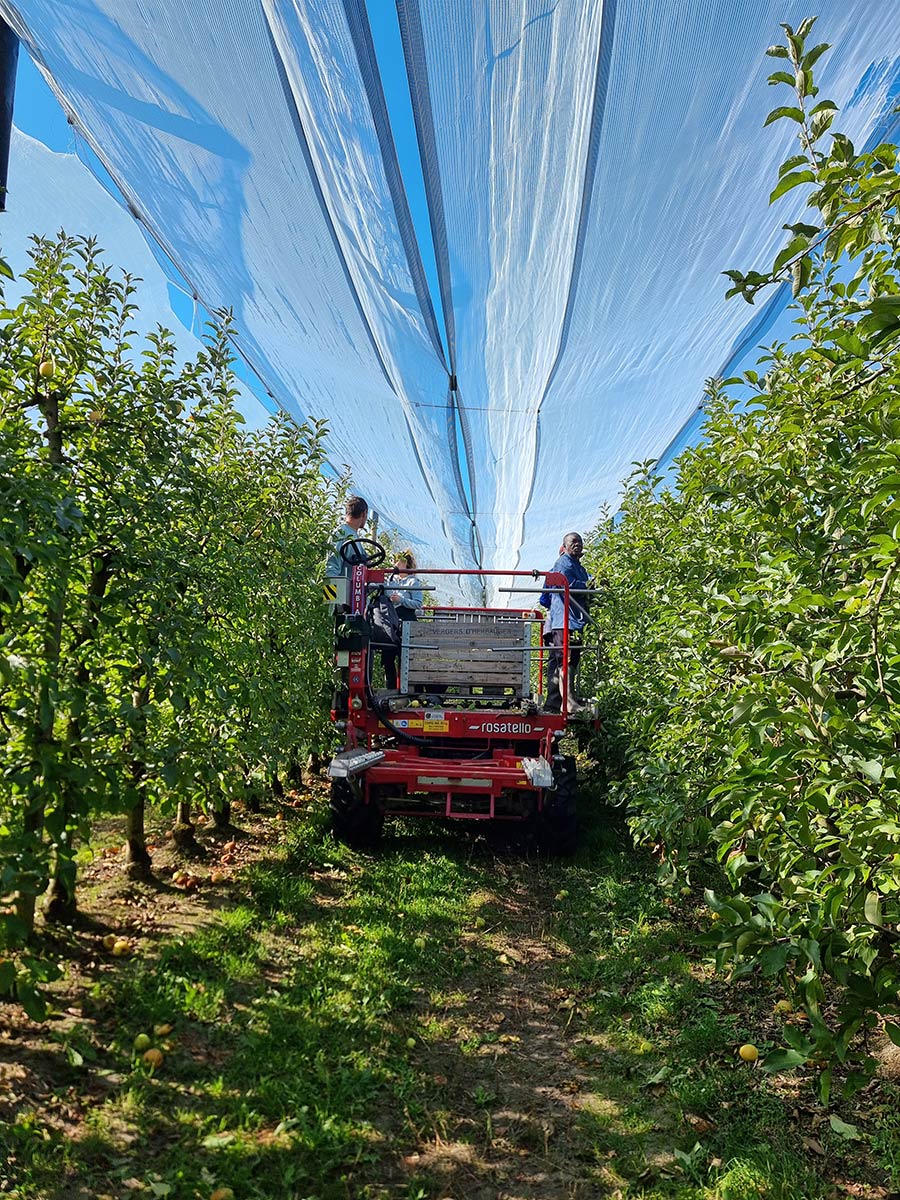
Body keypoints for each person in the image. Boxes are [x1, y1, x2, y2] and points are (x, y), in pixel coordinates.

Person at [538, 532, 591, 714]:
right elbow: (568, 585)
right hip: (564, 621)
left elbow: (544, 599)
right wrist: (588, 586)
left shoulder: (579, 567)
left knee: (565, 661)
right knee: (565, 661)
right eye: (573, 542)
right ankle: (567, 702)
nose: (577, 544)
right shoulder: (563, 564)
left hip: (572, 621)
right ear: (565, 546)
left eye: (580, 541)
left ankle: (555, 704)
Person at [325, 495, 368, 578]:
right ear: (364, 514)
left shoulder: (355, 536)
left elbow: (364, 559)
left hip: (354, 584)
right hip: (343, 584)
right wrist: (333, 584)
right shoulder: (341, 533)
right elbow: (332, 567)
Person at [386, 550, 425, 621]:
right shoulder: (390, 579)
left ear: (406, 564)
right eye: (396, 561)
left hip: (405, 617)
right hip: (389, 616)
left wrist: (401, 600)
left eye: (400, 562)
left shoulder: (413, 582)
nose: (396, 564)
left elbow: (418, 604)